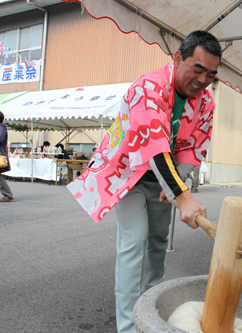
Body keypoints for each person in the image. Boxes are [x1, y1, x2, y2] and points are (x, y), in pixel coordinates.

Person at [67, 30, 221, 333]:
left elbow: (195, 145)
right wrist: (182, 194)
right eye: (198, 70)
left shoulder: (205, 101)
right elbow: (153, 143)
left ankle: (152, 309)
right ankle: (128, 327)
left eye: (212, 75)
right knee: (134, 241)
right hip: (128, 175)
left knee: (157, 243)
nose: (204, 80)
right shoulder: (148, 87)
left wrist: (176, 184)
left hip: (166, 177)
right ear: (178, 59)